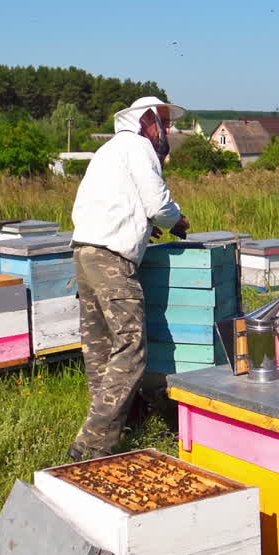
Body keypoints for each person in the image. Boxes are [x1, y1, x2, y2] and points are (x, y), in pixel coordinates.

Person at [68, 95, 189, 461]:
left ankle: (122, 425)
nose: (167, 129)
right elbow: (159, 203)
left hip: (84, 252)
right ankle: (92, 444)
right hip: (111, 261)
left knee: (100, 348)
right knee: (132, 346)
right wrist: (176, 220)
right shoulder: (139, 147)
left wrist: (142, 223)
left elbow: (112, 203)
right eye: (163, 122)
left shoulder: (108, 151)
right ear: (147, 121)